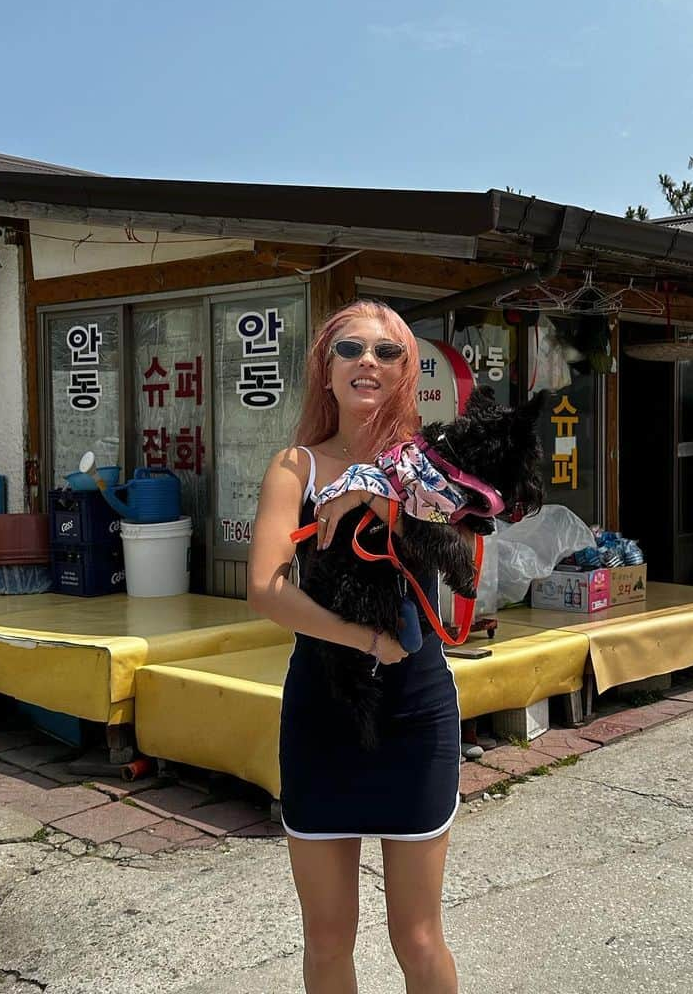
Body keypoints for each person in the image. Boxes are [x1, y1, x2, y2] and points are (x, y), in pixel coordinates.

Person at [248, 300, 463, 994]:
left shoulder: (427, 463)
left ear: (405, 372)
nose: (367, 361)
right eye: (350, 349)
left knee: (419, 934)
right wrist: (364, 638)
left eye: (387, 351)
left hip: (415, 713)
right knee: (328, 938)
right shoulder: (296, 466)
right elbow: (266, 588)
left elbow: (459, 541)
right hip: (323, 711)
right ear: (327, 370)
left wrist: (373, 491)